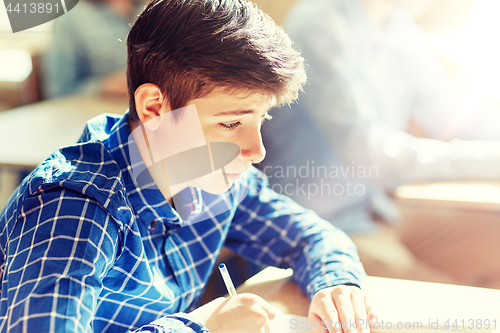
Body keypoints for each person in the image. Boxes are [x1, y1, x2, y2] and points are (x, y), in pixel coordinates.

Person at [0, 0, 375, 332]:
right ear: (153, 108)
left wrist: (335, 283)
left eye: (262, 120)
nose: (257, 150)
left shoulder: (209, 172)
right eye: (231, 123)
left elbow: (313, 236)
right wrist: (201, 326)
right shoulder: (74, 210)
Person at [260, 0, 500, 286]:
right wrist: (491, 160)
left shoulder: (397, 23)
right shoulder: (317, 25)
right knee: (460, 308)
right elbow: (369, 156)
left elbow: (450, 112)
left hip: (380, 212)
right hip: (324, 227)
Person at [42, 0, 144, 99]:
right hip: (95, 109)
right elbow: (59, 91)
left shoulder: (147, 9)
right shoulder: (70, 18)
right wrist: (103, 87)